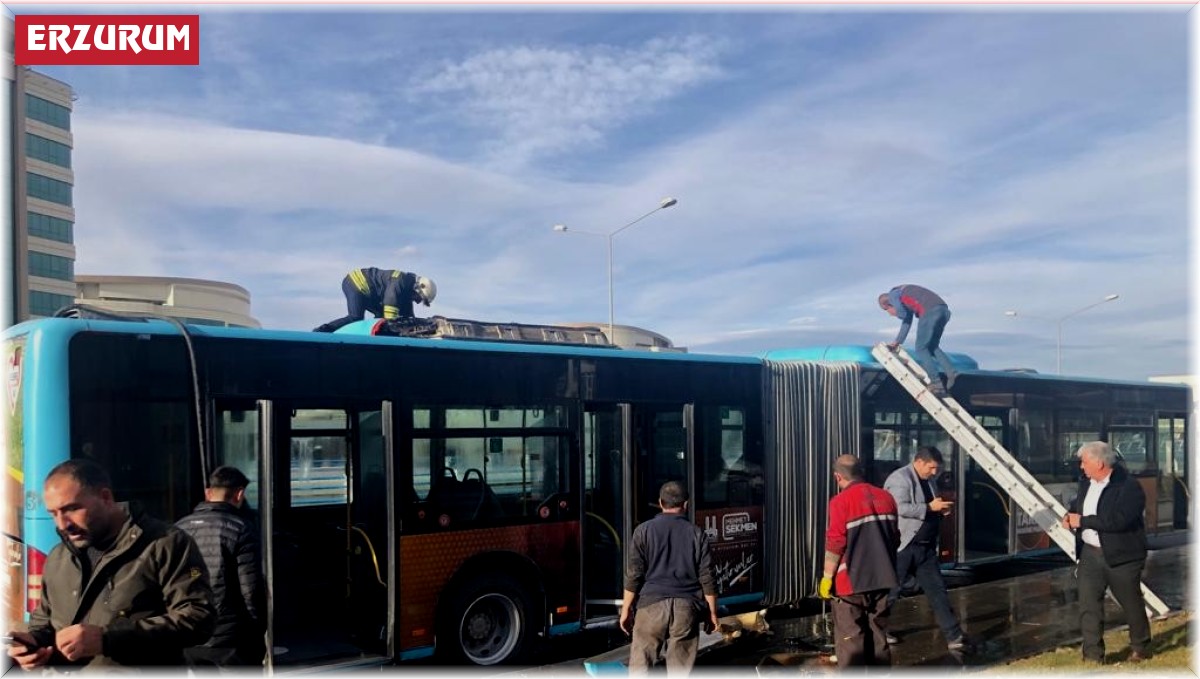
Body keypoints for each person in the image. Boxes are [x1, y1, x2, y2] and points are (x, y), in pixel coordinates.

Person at [7, 459, 215, 669]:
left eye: (71, 509)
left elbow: (198, 619)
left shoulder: (166, 543)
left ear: (105, 497)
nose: (62, 524)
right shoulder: (57, 557)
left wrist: (107, 639)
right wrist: (33, 644)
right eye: (53, 513)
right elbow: (44, 624)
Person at [1063, 441, 1152, 664]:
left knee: (1130, 603)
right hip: (1090, 555)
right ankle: (1093, 655)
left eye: (1084, 462)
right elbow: (1078, 507)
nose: (1081, 467)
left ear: (1099, 463)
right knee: (1088, 605)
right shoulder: (1086, 483)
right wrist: (1071, 516)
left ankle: (1141, 646)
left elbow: (1119, 521)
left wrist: (1082, 521)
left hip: (1122, 556)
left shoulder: (1129, 487)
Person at [620, 480, 720, 676]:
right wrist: (712, 613)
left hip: (651, 607)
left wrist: (626, 610)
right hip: (686, 609)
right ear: (686, 504)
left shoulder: (643, 531)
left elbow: (634, 575)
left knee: (641, 666)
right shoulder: (696, 534)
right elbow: (708, 577)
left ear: (660, 502)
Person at [176, 465, 266, 667]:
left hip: (190, 633)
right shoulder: (241, 529)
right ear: (240, 494)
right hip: (230, 639)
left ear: (208, 493)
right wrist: (258, 630)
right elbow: (251, 591)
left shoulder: (179, 528)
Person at [818, 454, 900, 668]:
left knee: (851, 641)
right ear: (861, 471)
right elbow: (895, 538)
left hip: (850, 584)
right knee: (879, 637)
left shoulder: (840, 502)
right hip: (883, 579)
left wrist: (827, 578)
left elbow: (836, 543)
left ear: (838, 476)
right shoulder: (887, 497)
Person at [883, 446, 966, 650]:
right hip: (905, 545)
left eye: (936, 469)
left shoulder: (929, 480)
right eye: (931, 468)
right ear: (919, 462)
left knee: (938, 590)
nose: (934, 473)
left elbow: (932, 505)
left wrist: (940, 512)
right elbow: (898, 507)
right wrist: (930, 508)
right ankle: (878, 630)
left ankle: (954, 636)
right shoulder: (900, 479)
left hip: (926, 548)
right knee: (892, 592)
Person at [878, 284, 958, 395]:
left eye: (887, 310)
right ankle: (951, 372)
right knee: (932, 346)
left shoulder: (893, 295)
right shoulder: (904, 295)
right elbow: (907, 321)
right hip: (943, 310)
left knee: (921, 348)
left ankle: (936, 383)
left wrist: (896, 313)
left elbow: (902, 314)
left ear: (889, 304)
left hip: (930, 311)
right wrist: (897, 341)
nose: (889, 314)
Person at [313, 267, 437, 333]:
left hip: (372, 294)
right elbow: (390, 306)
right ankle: (323, 330)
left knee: (382, 318)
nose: (417, 301)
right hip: (357, 283)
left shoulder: (406, 293)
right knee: (355, 317)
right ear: (417, 288)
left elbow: (409, 318)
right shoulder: (400, 282)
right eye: (419, 298)